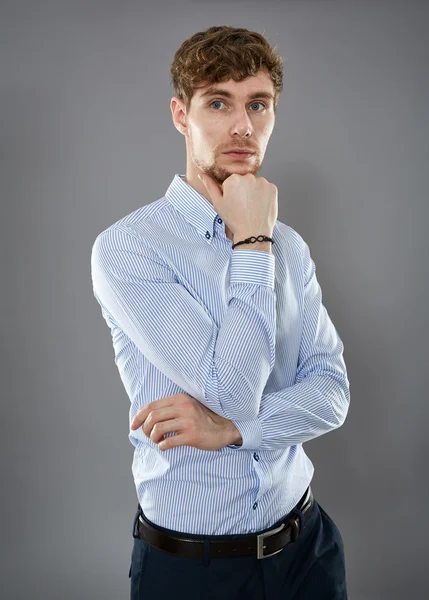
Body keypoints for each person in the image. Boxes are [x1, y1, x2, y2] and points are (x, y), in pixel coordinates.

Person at [90, 25, 350, 600]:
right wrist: (253, 240)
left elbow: (332, 393)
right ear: (181, 114)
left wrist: (231, 431)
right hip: (196, 568)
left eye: (258, 104)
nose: (243, 126)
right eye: (218, 103)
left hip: (307, 548)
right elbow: (228, 388)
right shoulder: (129, 247)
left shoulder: (293, 247)